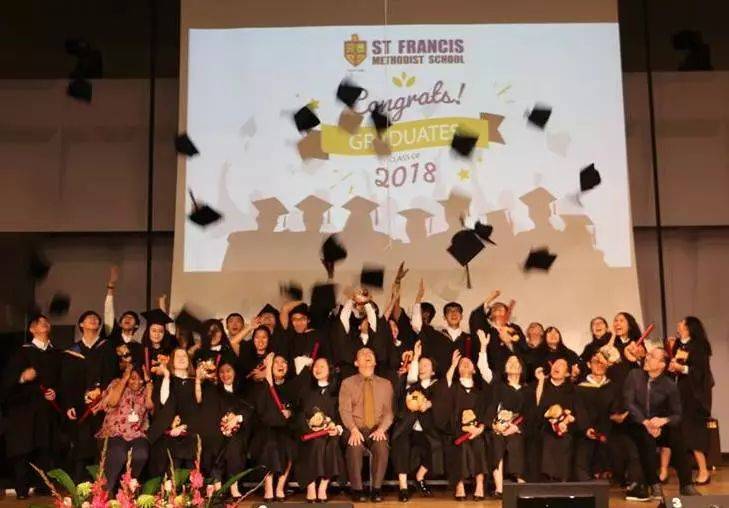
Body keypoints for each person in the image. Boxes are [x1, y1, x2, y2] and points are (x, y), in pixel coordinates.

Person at [623, 348, 699, 500]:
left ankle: (686, 485)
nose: (647, 357)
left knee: (678, 438)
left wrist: (663, 421)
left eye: (652, 356)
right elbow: (629, 403)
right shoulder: (634, 375)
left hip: (658, 425)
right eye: (648, 355)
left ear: (662, 364)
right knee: (646, 438)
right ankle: (654, 484)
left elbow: (677, 415)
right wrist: (646, 423)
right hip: (636, 424)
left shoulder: (669, 385)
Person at [1, 315, 61, 500]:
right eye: (40, 323)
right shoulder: (21, 352)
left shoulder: (56, 353)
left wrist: (55, 392)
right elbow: (6, 381)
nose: (45, 324)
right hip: (23, 409)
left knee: (45, 448)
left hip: (46, 409)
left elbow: (64, 379)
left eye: (46, 322)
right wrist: (21, 378)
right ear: (32, 330)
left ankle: (44, 487)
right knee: (23, 449)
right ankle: (21, 489)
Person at [60, 310, 117, 482]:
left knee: (102, 444)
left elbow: (112, 374)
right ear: (81, 324)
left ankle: (102, 485)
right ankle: (81, 485)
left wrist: (102, 391)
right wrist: (69, 404)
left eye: (96, 319)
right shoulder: (72, 351)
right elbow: (67, 381)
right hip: (80, 405)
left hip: (103, 403)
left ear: (99, 326)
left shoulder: (107, 347)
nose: (93, 319)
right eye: (88, 318)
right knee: (82, 444)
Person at [390, 341, 448, 502]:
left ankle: (419, 476)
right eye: (420, 365)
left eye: (426, 365)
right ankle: (403, 487)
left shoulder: (437, 386)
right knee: (401, 443)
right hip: (407, 428)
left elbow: (443, 402)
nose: (422, 368)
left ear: (433, 371)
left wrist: (431, 404)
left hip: (427, 429)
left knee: (436, 445)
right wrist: (415, 357)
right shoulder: (411, 384)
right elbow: (411, 376)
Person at [574, 353, 642, 487]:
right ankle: (589, 487)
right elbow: (579, 411)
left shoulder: (613, 387)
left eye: (602, 362)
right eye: (596, 362)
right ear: (588, 365)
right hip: (588, 432)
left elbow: (617, 409)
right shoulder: (579, 388)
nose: (599, 365)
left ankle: (634, 486)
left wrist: (619, 416)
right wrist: (586, 428)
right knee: (582, 454)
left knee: (629, 448)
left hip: (611, 430)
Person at [660, 316, 714, 485]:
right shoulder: (675, 344)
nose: (679, 323)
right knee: (668, 432)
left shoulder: (699, 346)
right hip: (674, 394)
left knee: (693, 433)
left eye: (682, 322)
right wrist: (670, 365)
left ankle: (703, 471)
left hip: (691, 397)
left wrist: (682, 368)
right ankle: (663, 470)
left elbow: (701, 372)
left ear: (689, 327)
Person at [339, 347, 394, 502]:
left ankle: (376, 489)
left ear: (375, 362)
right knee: (354, 445)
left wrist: (382, 429)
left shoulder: (386, 384)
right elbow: (344, 410)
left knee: (382, 445)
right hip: (354, 428)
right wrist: (353, 429)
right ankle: (357, 489)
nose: (367, 355)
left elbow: (389, 413)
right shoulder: (347, 383)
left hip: (376, 428)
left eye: (370, 353)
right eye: (362, 354)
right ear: (356, 363)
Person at [443, 338, 492, 501]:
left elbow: (486, 412)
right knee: (460, 446)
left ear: (474, 370)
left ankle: (480, 484)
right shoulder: (453, 388)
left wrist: (480, 428)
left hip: (477, 431)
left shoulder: (481, 391)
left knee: (479, 444)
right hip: (457, 431)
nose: (464, 364)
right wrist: (452, 365)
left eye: (468, 363)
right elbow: (445, 393)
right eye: (461, 363)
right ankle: (459, 485)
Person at [94, 364, 154, 492]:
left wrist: (148, 382)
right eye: (133, 378)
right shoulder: (117, 383)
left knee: (141, 454)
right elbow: (112, 402)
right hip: (115, 432)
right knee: (119, 453)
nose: (137, 382)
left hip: (136, 434)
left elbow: (150, 405)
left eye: (140, 379)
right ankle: (107, 490)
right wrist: (125, 379)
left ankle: (128, 489)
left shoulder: (146, 389)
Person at [294, 357, 345, 503]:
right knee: (316, 444)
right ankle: (311, 486)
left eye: (322, 366)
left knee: (332, 445)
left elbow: (341, 415)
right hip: (309, 433)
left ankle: (323, 486)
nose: (318, 369)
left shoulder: (337, 391)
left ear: (330, 370)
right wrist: (309, 429)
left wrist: (337, 427)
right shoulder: (306, 390)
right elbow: (299, 413)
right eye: (315, 366)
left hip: (330, 432)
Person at [250, 353, 298, 501]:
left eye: (284, 362)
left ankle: (280, 487)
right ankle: (269, 486)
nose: (280, 365)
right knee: (269, 442)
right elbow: (260, 411)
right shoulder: (262, 386)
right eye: (276, 362)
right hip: (265, 429)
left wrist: (290, 412)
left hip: (285, 429)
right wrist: (268, 377)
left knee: (290, 445)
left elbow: (298, 408)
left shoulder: (293, 386)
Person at [147, 348, 202, 475]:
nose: (182, 358)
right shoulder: (164, 379)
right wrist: (166, 375)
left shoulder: (195, 381)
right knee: (169, 459)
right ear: (171, 361)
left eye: (184, 356)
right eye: (178, 356)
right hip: (168, 429)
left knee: (192, 454)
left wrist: (184, 426)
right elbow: (164, 402)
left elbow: (197, 406)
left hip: (190, 428)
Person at [486, 355, 532, 497]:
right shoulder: (498, 387)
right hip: (499, 426)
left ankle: (521, 484)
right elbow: (491, 407)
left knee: (516, 441)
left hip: (518, 427)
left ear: (521, 368)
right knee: (496, 440)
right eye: (509, 362)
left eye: (516, 362)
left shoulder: (527, 390)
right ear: (505, 368)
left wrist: (517, 427)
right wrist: (494, 425)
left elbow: (530, 414)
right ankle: (499, 488)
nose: (512, 363)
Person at [208, 361, 254, 498]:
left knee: (235, 446)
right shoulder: (214, 391)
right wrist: (225, 422)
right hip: (218, 429)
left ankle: (233, 485)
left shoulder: (244, 390)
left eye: (228, 371)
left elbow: (250, 410)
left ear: (234, 372)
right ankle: (218, 486)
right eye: (221, 372)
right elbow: (211, 412)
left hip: (239, 430)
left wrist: (237, 418)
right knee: (216, 443)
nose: (225, 374)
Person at [535, 358, 576, 482]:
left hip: (565, 427)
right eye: (555, 364)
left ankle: (563, 479)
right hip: (544, 425)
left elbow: (574, 412)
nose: (556, 366)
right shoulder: (543, 384)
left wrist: (564, 422)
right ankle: (548, 478)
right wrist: (541, 381)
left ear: (567, 373)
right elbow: (537, 405)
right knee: (547, 438)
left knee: (565, 438)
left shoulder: (572, 390)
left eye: (561, 365)